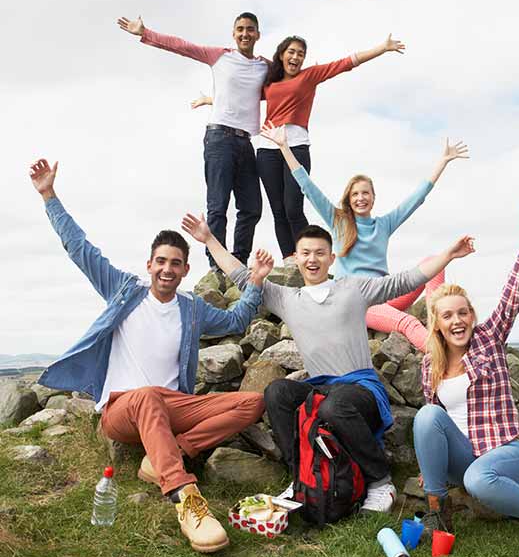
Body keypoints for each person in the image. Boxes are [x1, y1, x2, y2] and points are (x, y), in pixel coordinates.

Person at [30, 158, 274, 554]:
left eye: (175, 263)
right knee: (145, 395)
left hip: (173, 404)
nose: (167, 269)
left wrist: (257, 282)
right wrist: (49, 195)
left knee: (252, 402)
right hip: (123, 409)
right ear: (149, 265)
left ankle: (168, 454)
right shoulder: (125, 290)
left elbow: (237, 320)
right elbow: (80, 248)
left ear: (185, 270)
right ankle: (185, 498)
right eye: (160, 261)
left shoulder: (192, 309)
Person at [182, 212, 475, 514]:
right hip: (322, 388)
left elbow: (404, 281)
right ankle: (302, 478)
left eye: (320, 253)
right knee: (276, 393)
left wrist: (449, 255)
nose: (313, 259)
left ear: (331, 258)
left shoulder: (353, 289)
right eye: (306, 253)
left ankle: (380, 480)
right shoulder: (287, 298)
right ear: (295, 258)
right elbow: (244, 277)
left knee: (334, 406)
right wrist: (208, 238)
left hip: (361, 390)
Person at [413, 192, 519, 557]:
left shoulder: (490, 338)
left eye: (462, 313)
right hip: (464, 457)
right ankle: (438, 511)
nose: (456, 321)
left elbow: (514, 290)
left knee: (479, 480)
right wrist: (430, 471)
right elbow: (434, 427)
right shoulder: (430, 364)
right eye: (447, 316)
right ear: (436, 323)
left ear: (472, 315)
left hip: (504, 453)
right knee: (425, 416)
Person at [195, 32, 405, 263]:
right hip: (267, 149)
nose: (296, 57)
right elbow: (241, 97)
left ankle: (310, 255)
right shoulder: (270, 82)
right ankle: (289, 259)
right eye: (291, 52)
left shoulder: (309, 76)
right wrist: (210, 100)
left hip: (296, 147)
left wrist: (381, 48)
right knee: (278, 211)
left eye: (301, 54)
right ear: (282, 55)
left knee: (293, 207)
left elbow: (346, 63)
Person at [260, 124, 468, 349]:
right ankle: (444, 354)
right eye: (355, 194)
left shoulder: (384, 224)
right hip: (358, 301)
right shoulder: (339, 221)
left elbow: (417, 198)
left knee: (432, 262)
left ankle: (438, 320)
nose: (360, 198)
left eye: (365, 193)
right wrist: (284, 147)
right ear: (349, 199)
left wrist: (443, 161)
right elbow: (307, 187)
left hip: (387, 292)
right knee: (408, 322)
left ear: (373, 198)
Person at [117, 11, 267, 269]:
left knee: (251, 207)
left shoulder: (265, 66)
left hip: (246, 142)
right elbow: (184, 47)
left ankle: (238, 261)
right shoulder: (220, 56)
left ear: (258, 34)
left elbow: (279, 88)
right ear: (234, 34)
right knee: (218, 207)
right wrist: (145, 33)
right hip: (220, 138)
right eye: (240, 29)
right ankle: (218, 265)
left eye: (250, 29)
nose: (245, 33)